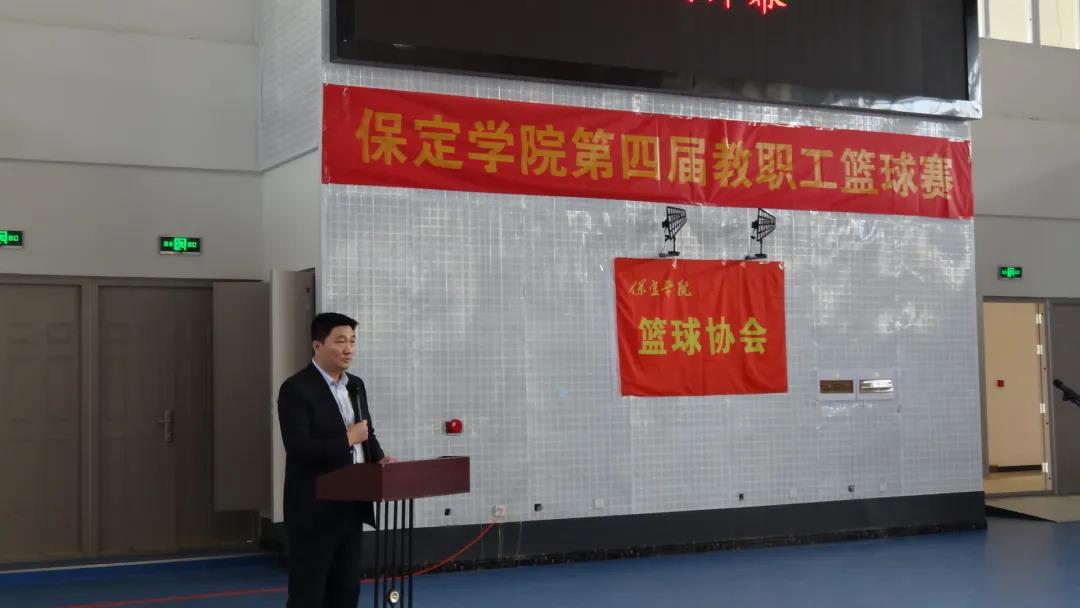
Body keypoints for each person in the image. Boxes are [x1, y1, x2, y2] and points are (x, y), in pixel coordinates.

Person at [277, 312, 395, 608]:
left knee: (346, 591)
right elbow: (299, 448)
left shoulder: (356, 385)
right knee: (309, 594)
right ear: (317, 345)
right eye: (340, 341)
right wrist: (346, 439)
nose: (349, 349)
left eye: (353, 341)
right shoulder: (296, 388)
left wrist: (379, 460)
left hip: (352, 504)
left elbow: (366, 432)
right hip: (314, 508)